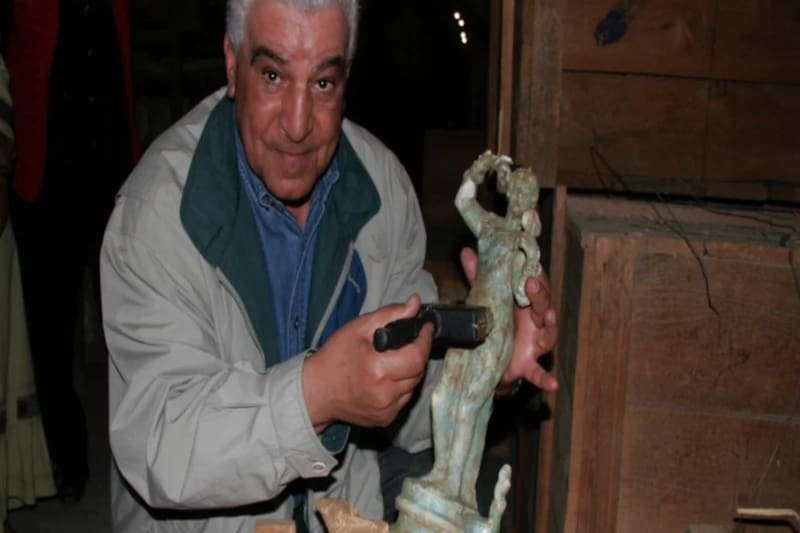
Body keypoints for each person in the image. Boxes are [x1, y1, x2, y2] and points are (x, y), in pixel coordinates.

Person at [100, 0, 560, 531]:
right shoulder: (156, 213)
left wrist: (488, 366)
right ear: (231, 63)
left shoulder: (382, 191)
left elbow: (409, 412)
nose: (298, 125)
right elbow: (162, 444)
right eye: (272, 76)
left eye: (323, 83)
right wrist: (316, 394)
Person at [5, 0, 140, 501]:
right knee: (51, 336)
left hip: (111, 173)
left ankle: (138, 452)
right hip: (46, 178)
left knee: (128, 327)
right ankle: (67, 461)